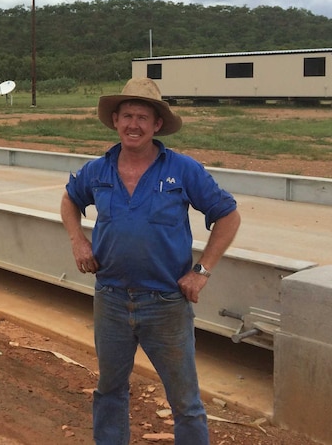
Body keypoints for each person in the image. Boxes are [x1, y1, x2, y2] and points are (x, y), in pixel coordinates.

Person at [59, 78, 241, 444]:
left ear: (157, 125)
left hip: (166, 304)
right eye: (127, 115)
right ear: (115, 120)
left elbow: (229, 215)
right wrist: (78, 242)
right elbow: (69, 200)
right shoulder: (98, 170)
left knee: (185, 401)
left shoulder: (183, 169)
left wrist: (201, 271)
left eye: (143, 117)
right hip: (110, 299)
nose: (134, 125)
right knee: (109, 390)